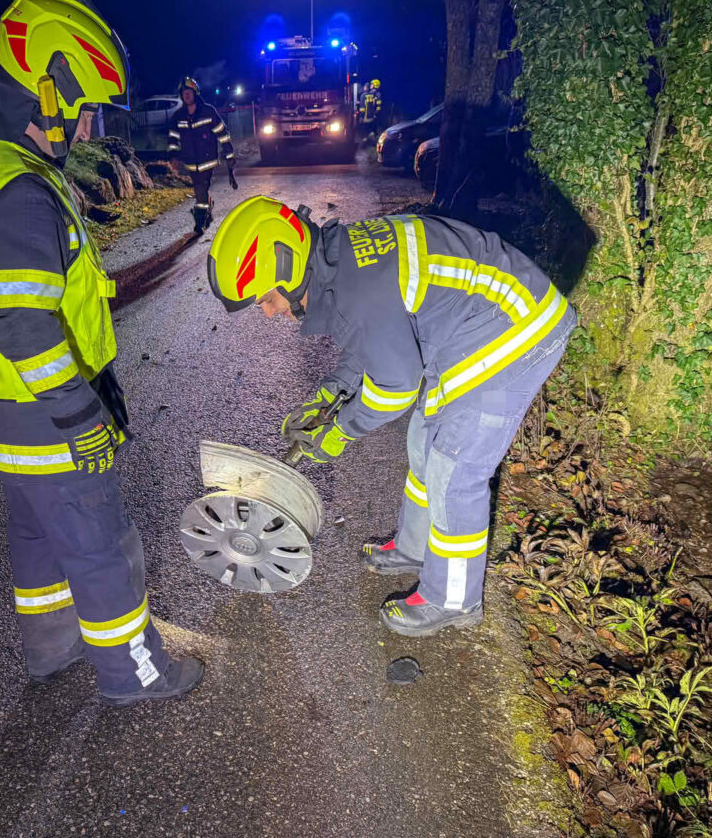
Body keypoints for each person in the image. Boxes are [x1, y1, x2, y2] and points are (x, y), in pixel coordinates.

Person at [0, 0, 203, 705]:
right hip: (44, 414)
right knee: (100, 544)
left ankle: (50, 648)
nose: (86, 127)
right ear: (45, 95)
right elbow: (23, 326)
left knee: (37, 537)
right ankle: (134, 673)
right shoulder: (21, 193)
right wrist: (80, 413)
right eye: (83, 108)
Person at [206, 196, 576, 635]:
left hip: (515, 326)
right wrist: (332, 392)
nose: (268, 313)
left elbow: (396, 386)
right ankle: (414, 548)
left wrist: (340, 431)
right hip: (470, 325)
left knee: (454, 471)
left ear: (288, 273)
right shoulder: (341, 265)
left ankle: (453, 599)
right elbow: (374, 336)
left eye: (265, 299)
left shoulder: (357, 291)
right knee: (423, 440)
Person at [166, 75, 237, 235]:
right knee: (200, 190)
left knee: (201, 189)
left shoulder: (208, 111)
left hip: (207, 161)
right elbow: (173, 138)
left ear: (195, 92)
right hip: (191, 163)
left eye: (189, 92)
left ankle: (200, 222)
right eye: (184, 92)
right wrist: (173, 156)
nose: (186, 95)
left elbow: (222, 134)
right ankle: (207, 210)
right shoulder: (178, 116)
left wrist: (229, 155)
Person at [358, 78, 382, 143]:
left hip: (371, 115)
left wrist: (375, 114)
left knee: (369, 128)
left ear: (375, 85)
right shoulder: (373, 94)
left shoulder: (376, 94)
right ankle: (374, 138)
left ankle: (371, 140)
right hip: (371, 115)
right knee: (372, 127)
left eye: (372, 84)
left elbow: (377, 106)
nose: (370, 86)